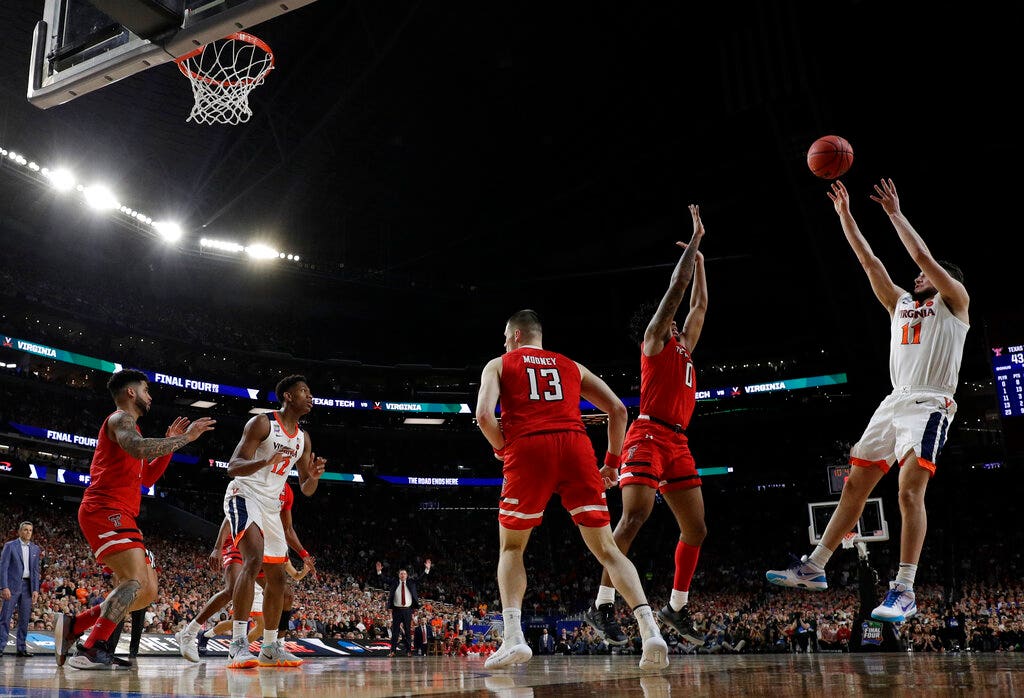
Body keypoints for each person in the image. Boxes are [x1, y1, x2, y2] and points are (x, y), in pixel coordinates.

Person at [766, 178, 970, 623]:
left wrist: (895, 212)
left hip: (931, 404)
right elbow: (868, 260)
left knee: (909, 491)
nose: (916, 276)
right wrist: (845, 217)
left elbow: (921, 257)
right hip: (893, 402)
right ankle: (815, 566)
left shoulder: (955, 302)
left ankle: (904, 589)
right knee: (855, 486)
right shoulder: (900, 304)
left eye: (926, 275)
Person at [475, 309, 669, 671]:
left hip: (529, 449)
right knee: (608, 549)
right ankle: (650, 630)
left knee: (512, 547)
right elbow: (617, 410)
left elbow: (484, 416)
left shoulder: (498, 364)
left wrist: (503, 448)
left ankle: (514, 638)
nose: (504, 342)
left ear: (516, 336)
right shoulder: (571, 366)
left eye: (505, 336)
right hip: (576, 448)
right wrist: (612, 462)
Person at [584, 204, 708, 647]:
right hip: (648, 434)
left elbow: (698, 302)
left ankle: (675, 607)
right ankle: (601, 603)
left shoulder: (685, 347)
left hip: (678, 441)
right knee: (635, 514)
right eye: (672, 316)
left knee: (696, 529)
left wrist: (701, 263)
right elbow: (678, 290)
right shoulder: (655, 340)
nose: (677, 319)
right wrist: (693, 240)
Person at [54, 368, 215, 669]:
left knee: (146, 591)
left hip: (122, 513)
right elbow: (139, 449)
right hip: (104, 510)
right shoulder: (119, 420)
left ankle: (77, 625)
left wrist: (170, 444)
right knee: (134, 581)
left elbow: (147, 476)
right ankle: (91, 648)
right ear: (131, 392)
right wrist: (186, 439)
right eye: (145, 389)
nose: (149, 396)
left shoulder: (134, 429)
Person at [221, 374, 326, 668]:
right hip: (245, 493)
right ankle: (238, 644)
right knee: (253, 559)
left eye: (310, 391)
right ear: (288, 397)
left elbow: (305, 488)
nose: (310, 396)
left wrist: (314, 477)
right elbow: (234, 467)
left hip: (271, 503)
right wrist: (263, 462)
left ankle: (269, 647)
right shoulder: (262, 423)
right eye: (304, 391)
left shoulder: (303, 438)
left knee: (278, 578)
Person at [176, 480, 316, 661]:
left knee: (285, 594)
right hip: (239, 539)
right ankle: (191, 632)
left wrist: (303, 553)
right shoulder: (260, 478)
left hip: (262, 544)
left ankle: (274, 646)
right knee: (232, 589)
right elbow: (230, 515)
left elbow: (288, 528)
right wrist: (218, 547)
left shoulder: (286, 491)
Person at [0, 521, 42, 657]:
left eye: (30, 530)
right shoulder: (10, 546)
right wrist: (4, 586)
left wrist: (35, 589)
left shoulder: (35, 549)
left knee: (24, 619)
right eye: (25, 530)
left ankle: (21, 648)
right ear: (19, 532)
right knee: (5, 617)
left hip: (28, 587)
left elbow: (35, 571)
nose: (28, 532)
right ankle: (0, 647)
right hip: (12, 587)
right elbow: (3, 568)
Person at [386, 568, 419, 656]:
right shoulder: (394, 582)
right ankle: (392, 651)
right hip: (396, 610)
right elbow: (384, 579)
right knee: (395, 632)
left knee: (407, 631)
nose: (403, 575)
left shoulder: (411, 582)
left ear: (407, 575)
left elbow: (421, 578)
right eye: (401, 574)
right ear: (399, 575)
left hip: (408, 610)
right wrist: (379, 572)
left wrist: (427, 569)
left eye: (404, 573)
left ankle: (408, 651)